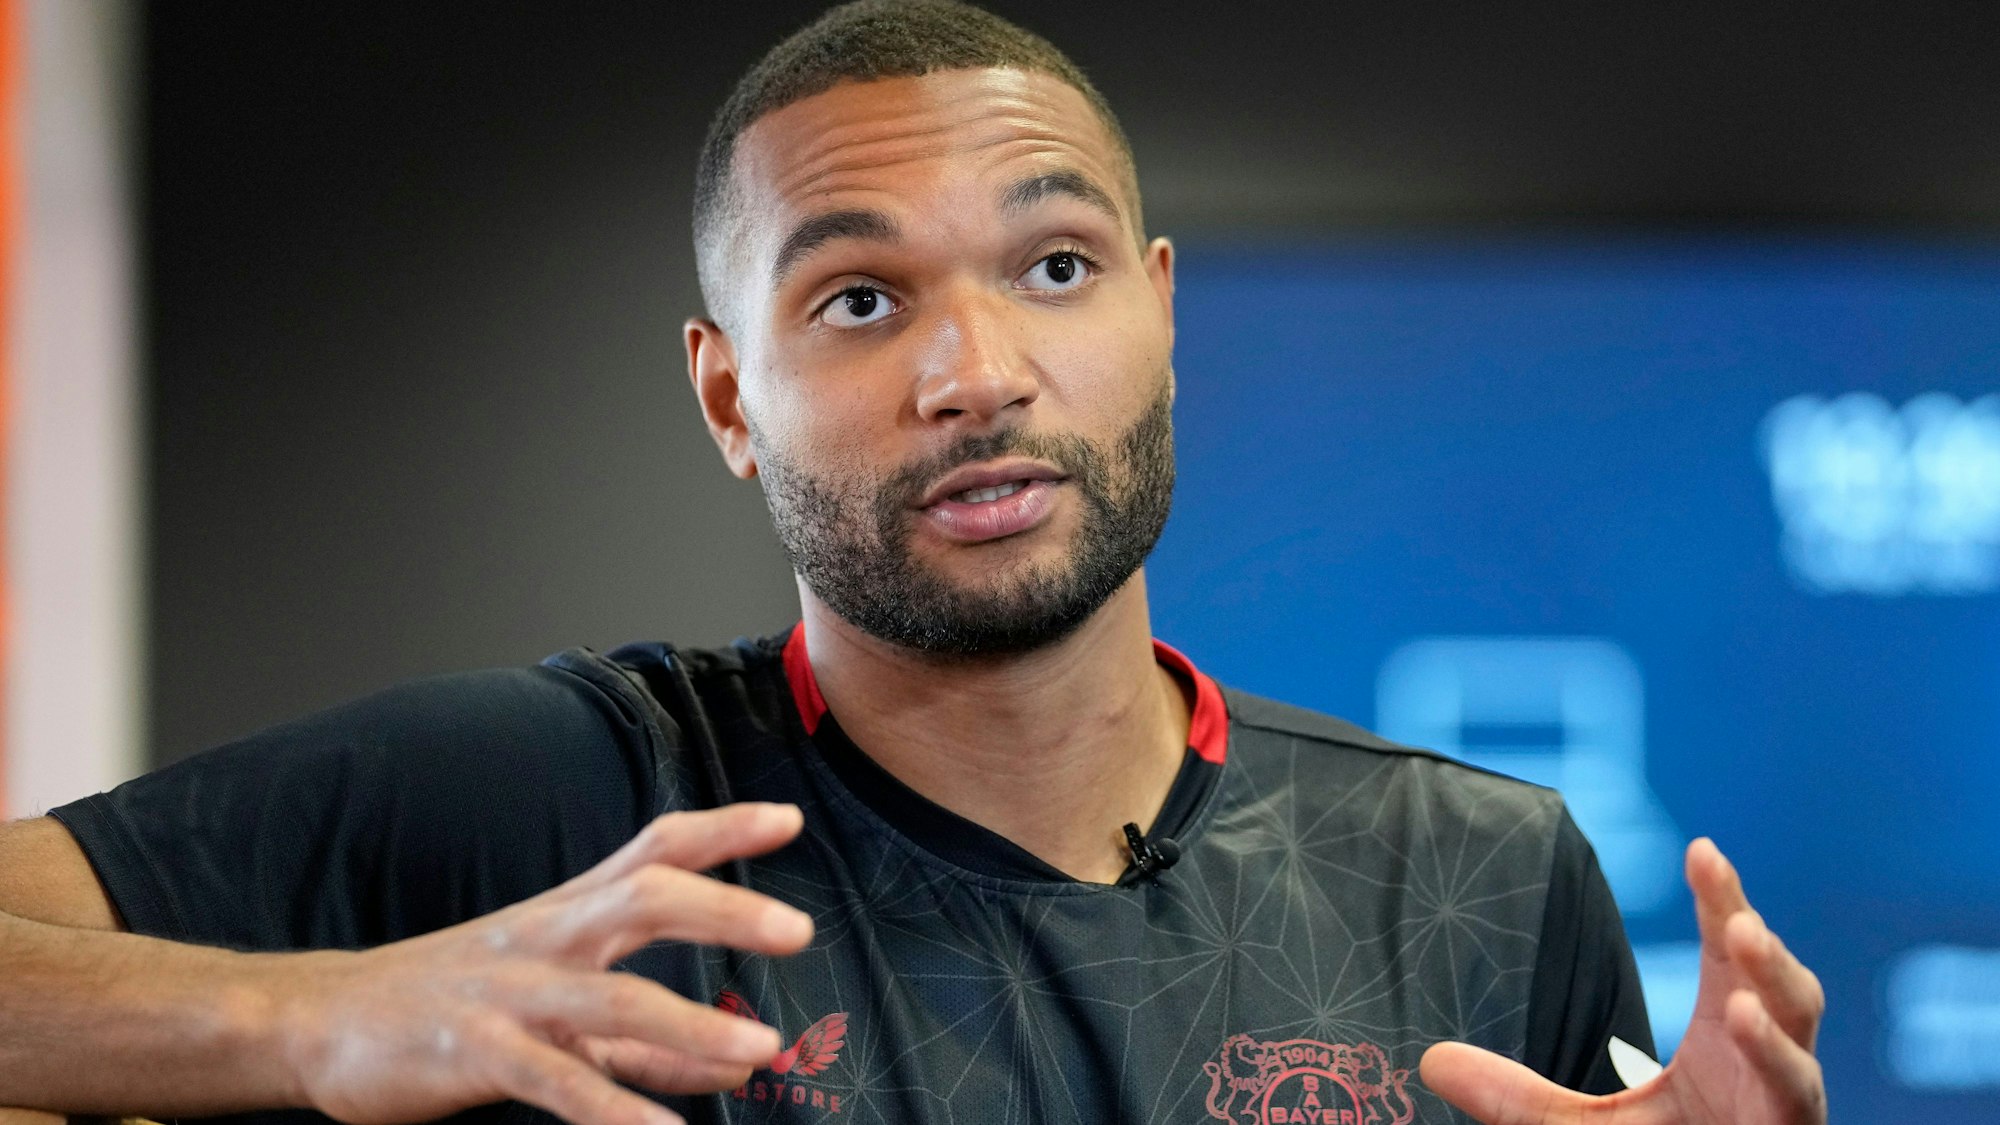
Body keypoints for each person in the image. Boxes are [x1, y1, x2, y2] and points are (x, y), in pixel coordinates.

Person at [0, 2, 1827, 1124]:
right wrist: (328, 1014)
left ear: (1159, 311)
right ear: (729, 393)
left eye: (1053, 267)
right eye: (860, 298)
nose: (977, 373)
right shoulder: (570, 809)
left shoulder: (1477, 874)